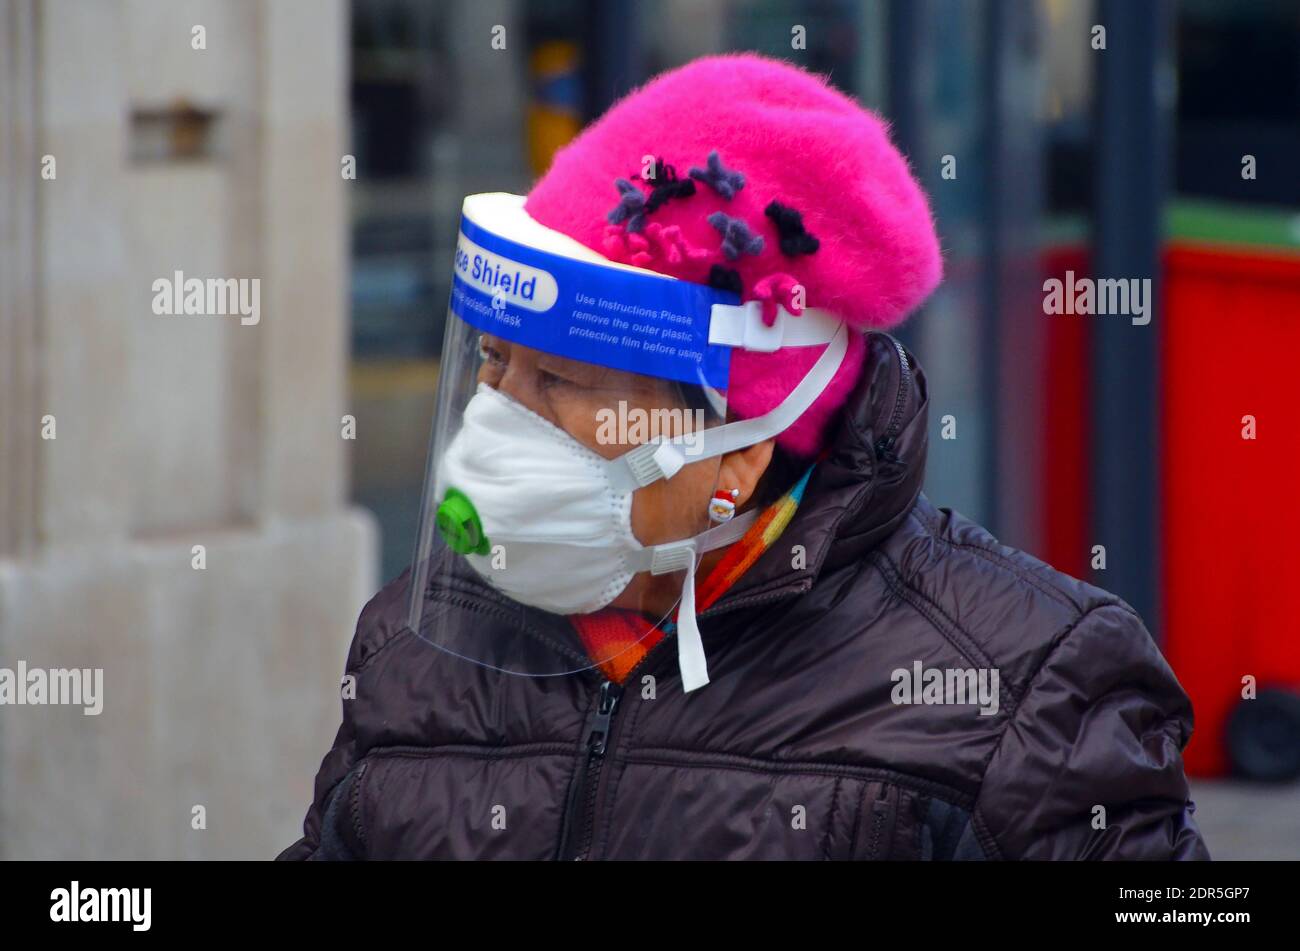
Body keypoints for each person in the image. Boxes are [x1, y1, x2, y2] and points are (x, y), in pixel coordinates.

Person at [280, 54, 1208, 861]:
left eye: (560, 381)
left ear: (740, 457)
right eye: (492, 361)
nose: (496, 420)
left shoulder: (1025, 693)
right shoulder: (414, 638)